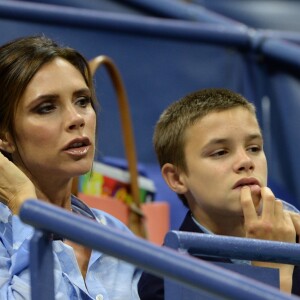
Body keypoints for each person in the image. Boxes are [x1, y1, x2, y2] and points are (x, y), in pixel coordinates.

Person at [0, 35, 140, 299]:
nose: (77, 119)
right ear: (4, 136)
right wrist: (25, 206)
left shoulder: (116, 232)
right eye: (46, 108)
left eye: (83, 101)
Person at [138, 88, 300, 299]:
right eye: (220, 152)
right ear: (176, 178)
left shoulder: (293, 235)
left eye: (254, 148)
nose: (246, 162)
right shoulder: (165, 277)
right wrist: (274, 269)